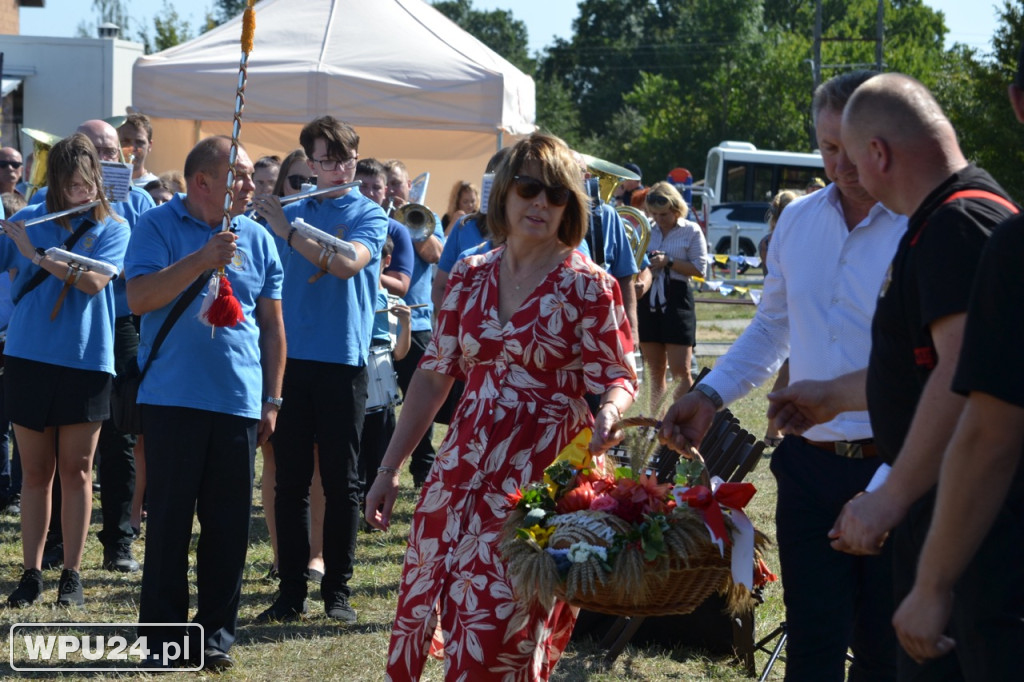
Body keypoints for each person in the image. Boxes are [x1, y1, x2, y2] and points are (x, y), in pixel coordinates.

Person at [768, 72, 1020, 681]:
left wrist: (890, 498)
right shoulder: (963, 217)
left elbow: (966, 387)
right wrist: (833, 395)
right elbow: (933, 368)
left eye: (851, 158)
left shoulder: (956, 226)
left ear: (877, 153)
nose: (846, 175)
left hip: (975, 549)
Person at [658, 71, 907, 682]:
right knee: (814, 649)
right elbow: (772, 331)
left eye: (854, 145)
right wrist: (709, 394)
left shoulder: (920, 223)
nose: (842, 163)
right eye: (828, 148)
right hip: (809, 466)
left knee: (885, 651)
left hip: (901, 465)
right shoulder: (797, 223)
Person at [365, 131, 637, 680]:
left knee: (501, 629)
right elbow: (433, 374)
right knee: (427, 602)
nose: (540, 203)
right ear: (504, 194)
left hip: (541, 477)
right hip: (461, 466)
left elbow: (618, 375)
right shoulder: (468, 274)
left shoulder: (591, 286)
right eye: (528, 187)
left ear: (571, 207)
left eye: (556, 195)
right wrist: (390, 468)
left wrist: (610, 409)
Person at [126, 135, 285, 671]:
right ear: (202, 182)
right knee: (169, 522)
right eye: (238, 176)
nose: (250, 184)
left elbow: (272, 328)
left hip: (238, 403)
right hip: (172, 399)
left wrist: (273, 397)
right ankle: (164, 639)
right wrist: (201, 259)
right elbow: (139, 298)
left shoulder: (259, 239)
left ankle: (215, 635)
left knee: (228, 526)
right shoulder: (157, 225)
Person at [890, 51, 1024, 672]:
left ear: (1017, 104)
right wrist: (839, 395)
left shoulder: (969, 228)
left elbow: (988, 419)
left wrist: (932, 581)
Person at [253, 115, 387, 624]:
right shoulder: (293, 208)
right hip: (290, 360)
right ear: (309, 162)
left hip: (341, 361)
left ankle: (337, 591)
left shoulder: (366, 212)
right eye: (325, 159)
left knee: (341, 479)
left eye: (344, 158)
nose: (336, 167)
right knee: (288, 481)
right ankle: (290, 592)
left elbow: (348, 263)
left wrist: (286, 232)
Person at [2, 132, 130, 607]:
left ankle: (72, 575)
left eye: (90, 181)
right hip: (28, 357)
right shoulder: (28, 219)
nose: (84, 191)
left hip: (86, 359)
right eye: (74, 184)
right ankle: (32, 572)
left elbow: (96, 281)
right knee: (35, 471)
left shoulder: (113, 226)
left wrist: (38, 256)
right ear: (55, 182)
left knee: (77, 471)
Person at [382, 158, 444, 487]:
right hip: (379, 324)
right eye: (387, 183)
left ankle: (423, 469)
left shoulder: (424, 217)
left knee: (419, 400)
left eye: (397, 183)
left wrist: (409, 219)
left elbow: (435, 254)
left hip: (416, 323)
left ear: (409, 187)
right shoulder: (374, 216)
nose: (392, 189)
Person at [637, 181, 708, 408]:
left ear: (676, 209)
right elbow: (634, 261)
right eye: (654, 214)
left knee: (681, 371)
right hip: (649, 299)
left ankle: (682, 422)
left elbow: (699, 269)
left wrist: (669, 261)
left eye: (664, 214)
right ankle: (655, 425)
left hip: (677, 298)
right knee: (654, 371)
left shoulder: (691, 230)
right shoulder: (646, 228)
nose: (659, 219)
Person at [358, 235, 411, 500]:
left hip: (382, 394)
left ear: (386, 261)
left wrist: (407, 326)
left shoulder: (392, 304)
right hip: (353, 384)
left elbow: (399, 353)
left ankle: (374, 504)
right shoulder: (353, 299)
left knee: (379, 450)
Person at [759, 189, 801, 447]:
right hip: (785, 313)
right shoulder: (772, 241)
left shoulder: (775, 238)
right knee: (787, 372)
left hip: (791, 310)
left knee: (793, 372)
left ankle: (778, 430)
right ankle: (773, 430)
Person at [356, 158, 413, 297]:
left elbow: (401, 286)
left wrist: (357, 268)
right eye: (362, 186)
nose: (369, 193)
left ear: (385, 191)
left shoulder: (397, 231)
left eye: (376, 188)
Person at [118, 113, 159, 187]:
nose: (132, 148)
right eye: (126, 141)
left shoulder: (157, 186)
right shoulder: (104, 183)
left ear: (149, 146)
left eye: (139, 142)